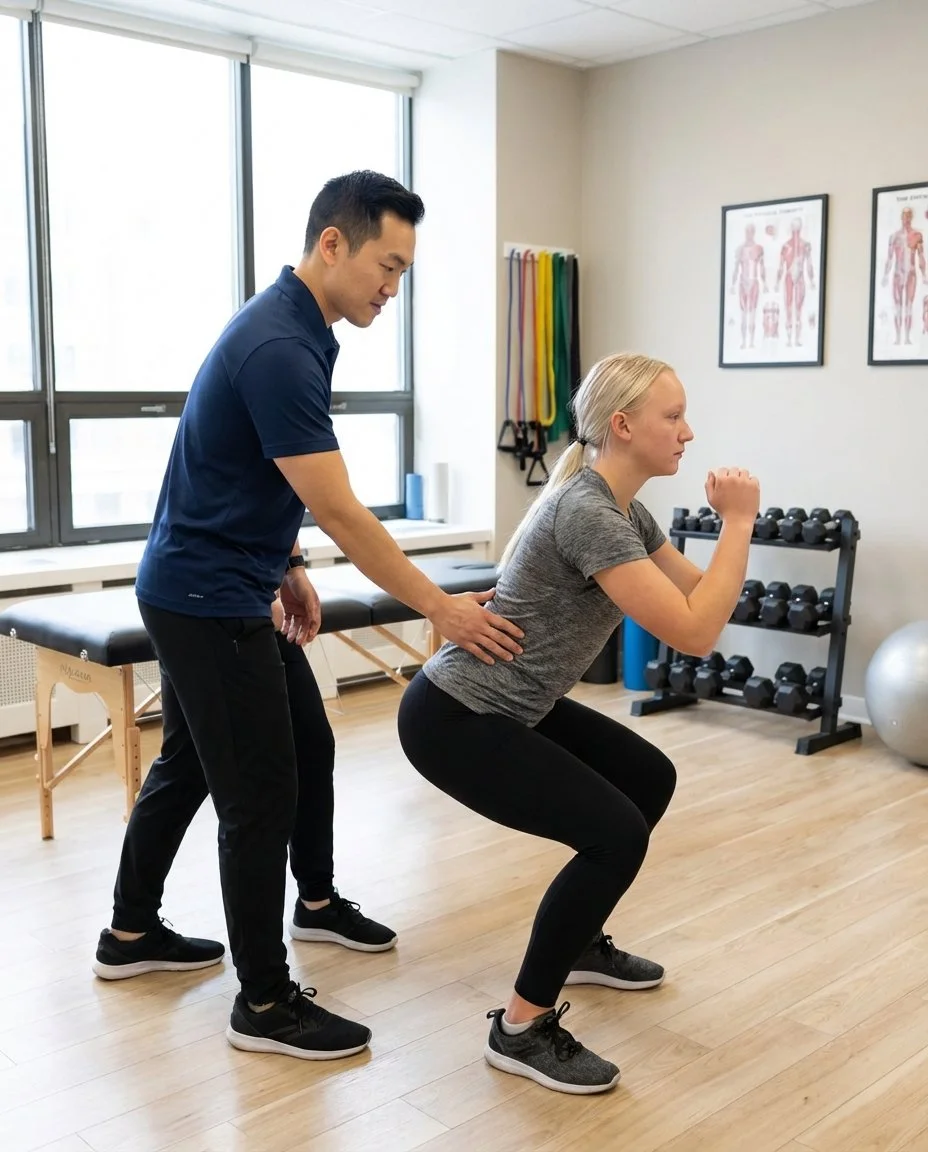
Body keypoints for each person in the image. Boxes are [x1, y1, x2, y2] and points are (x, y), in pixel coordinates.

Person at [91, 169, 524, 1063]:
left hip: (222, 584)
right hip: (206, 599)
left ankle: (151, 931)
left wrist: (287, 566)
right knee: (259, 796)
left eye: (403, 273)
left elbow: (260, 471)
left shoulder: (302, 329)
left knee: (262, 751)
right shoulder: (280, 347)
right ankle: (264, 1003)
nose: (392, 289)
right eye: (387, 266)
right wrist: (438, 607)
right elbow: (342, 511)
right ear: (333, 243)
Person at [397, 352, 760, 1095]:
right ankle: (520, 1027)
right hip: (456, 716)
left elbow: (705, 597)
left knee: (647, 779)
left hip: (510, 703)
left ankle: (580, 943)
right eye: (673, 416)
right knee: (615, 834)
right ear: (622, 426)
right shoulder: (588, 513)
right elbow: (696, 632)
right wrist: (739, 521)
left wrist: (734, 534)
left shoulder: (623, 510)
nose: (687, 432)